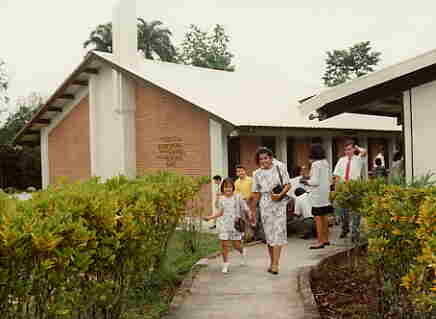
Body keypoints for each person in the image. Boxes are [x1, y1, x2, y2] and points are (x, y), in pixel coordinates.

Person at [251, 147, 291, 275]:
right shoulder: (256, 173)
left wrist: (279, 195)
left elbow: (288, 184)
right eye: (261, 159)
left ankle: (275, 264)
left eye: (266, 158)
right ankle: (272, 261)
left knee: (278, 232)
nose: (264, 161)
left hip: (279, 203)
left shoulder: (280, 167)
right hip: (265, 204)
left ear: (271, 158)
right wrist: (252, 210)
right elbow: (256, 193)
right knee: (269, 235)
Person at [204, 178, 250, 273]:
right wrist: (210, 217)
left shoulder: (238, 197)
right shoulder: (221, 198)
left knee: (236, 244)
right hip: (223, 224)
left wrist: (249, 213)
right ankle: (225, 264)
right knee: (224, 244)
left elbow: (245, 207)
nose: (227, 189)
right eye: (225, 187)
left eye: (229, 187)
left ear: (233, 187)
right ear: (223, 188)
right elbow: (220, 212)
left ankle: (242, 251)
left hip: (234, 225)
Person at [333, 140, 367, 243]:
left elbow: (364, 152)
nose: (347, 151)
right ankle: (345, 228)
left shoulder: (359, 159)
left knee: (356, 212)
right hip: (343, 188)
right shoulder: (341, 160)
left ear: (353, 149)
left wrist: (357, 147)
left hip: (354, 188)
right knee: (343, 212)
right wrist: (337, 189)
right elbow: (337, 175)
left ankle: (354, 233)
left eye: (349, 149)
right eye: (346, 149)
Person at [301, 144, 332, 249]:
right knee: (325, 217)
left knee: (318, 218)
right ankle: (326, 239)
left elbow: (315, 181)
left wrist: (305, 181)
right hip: (325, 194)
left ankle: (319, 241)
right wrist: (309, 177)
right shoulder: (325, 163)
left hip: (317, 195)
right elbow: (323, 178)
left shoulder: (315, 164)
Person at [234, 165, 254, 241]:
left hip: (251, 202)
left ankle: (252, 236)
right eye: (238, 171)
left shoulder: (251, 180)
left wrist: (248, 199)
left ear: (245, 171)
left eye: (241, 171)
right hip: (242, 204)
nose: (240, 173)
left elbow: (254, 191)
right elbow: (236, 194)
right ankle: (247, 236)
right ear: (236, 173)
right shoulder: (236, 182)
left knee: (251, 219)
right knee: (244, 221)